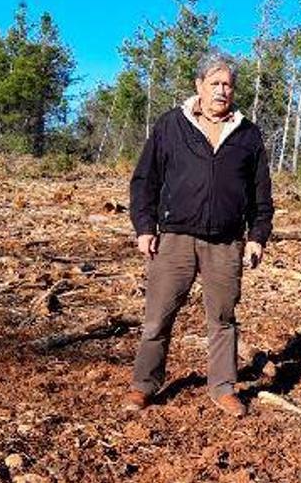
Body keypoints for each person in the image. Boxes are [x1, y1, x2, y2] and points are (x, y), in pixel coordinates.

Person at [124, 48, 274, 416]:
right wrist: (145, 227)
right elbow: (145, 180)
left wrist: (256, 237)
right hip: (175, 238)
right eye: (215, 83)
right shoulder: (170, 125)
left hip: (225, 242)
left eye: (228, 84)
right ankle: (144, 385)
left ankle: (223, 387)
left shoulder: (248, 135)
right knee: (158, 316)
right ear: (199, 86)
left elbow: (261, 194)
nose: (222, 90)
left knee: (222, 319)